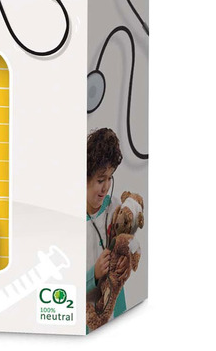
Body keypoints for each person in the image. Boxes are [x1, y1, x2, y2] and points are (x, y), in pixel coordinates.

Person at [86, 127, 127, 328]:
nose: (106, 187)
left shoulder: (115, 207)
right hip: (88, 319)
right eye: (100, 180)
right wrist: (93, 274)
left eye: (110, 178)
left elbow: (128, 245)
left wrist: (125, 258)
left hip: (117, 312)